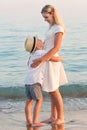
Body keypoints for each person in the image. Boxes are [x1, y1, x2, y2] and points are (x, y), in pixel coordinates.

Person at [31, 5, 68, 125]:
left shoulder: (58, 28)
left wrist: (41, 59)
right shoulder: (51, 28)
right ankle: (53, 116)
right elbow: (47, 45)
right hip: (47, 59)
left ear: (52, 14)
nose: (45, 19)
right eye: (43, 17)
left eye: (46, 16)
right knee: (51, 90)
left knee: (54, 90)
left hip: (50, 60)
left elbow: (56, 47)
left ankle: (60, 117)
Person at [24, 36, 63, 127]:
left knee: (29, 101)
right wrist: (60, 58)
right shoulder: (41, 53)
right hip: (35, 82)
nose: (42, 40)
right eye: (39, 40)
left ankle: (28, 120)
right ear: (37, 46)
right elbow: (54, 58)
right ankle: (35, 121)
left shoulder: (31, 55)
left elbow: (28, 64)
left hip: (27, 82)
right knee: (39, 100)